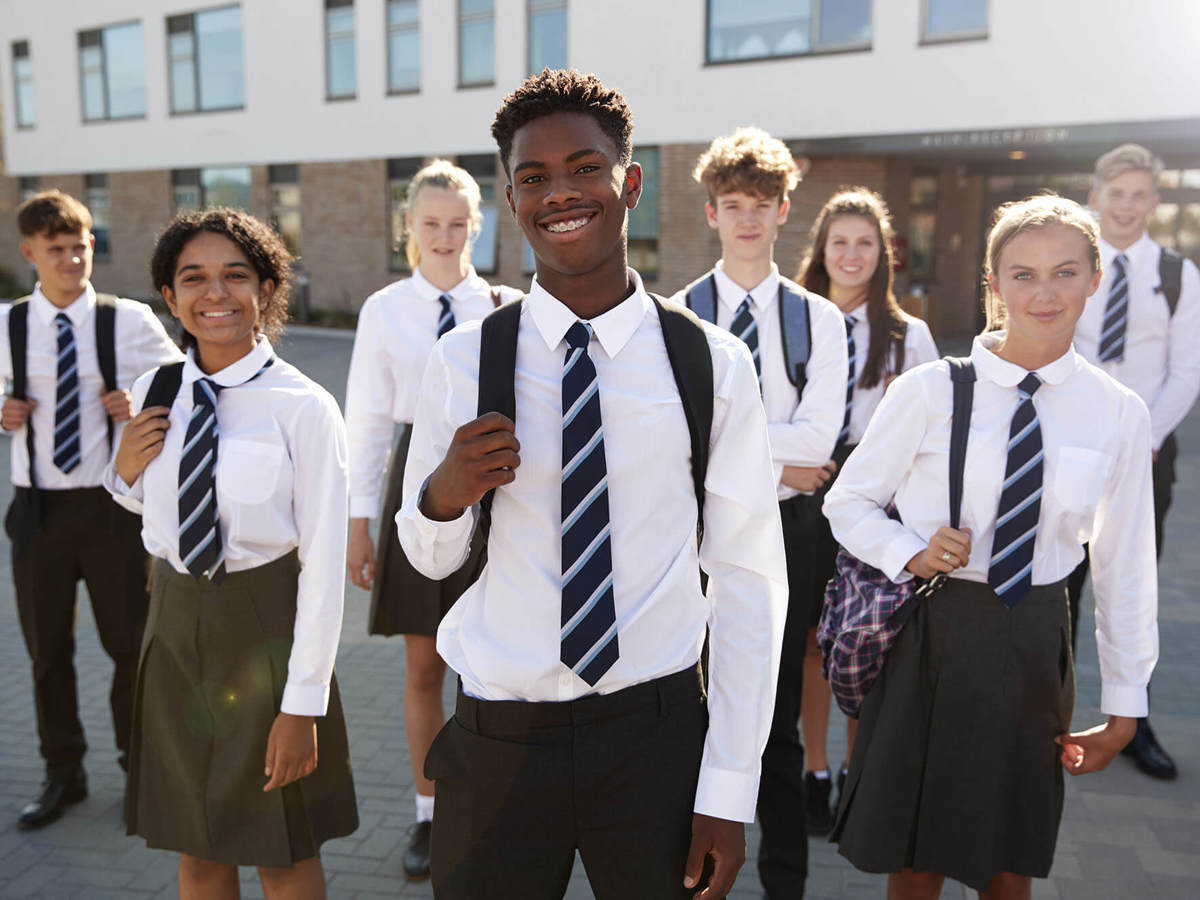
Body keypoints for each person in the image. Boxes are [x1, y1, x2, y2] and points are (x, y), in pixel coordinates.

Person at [397, 69, 787, 900]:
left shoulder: (709, 363)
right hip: (500, 740)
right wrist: (442, 494)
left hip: (653, 739)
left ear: (629, 184)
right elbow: (429, 561)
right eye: (534, 178)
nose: (561, 194)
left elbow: (750, 582)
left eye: (585, 168)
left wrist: (727, 789)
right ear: (510, 199)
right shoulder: (462, 362)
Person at [823, 194, 1157, 898]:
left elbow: (1125, 569)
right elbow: (846, 502)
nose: (1045, 293)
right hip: (931, 639)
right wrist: (908, 549)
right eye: (1023, 274)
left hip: (1035, 640)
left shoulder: (1118, 412)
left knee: (1011, 860)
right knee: (915, 860)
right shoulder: (930, 391)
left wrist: (1127, 706)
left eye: (1065, 272)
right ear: (994, 284)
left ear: (1095, 279)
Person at [105, 209, 358, 898]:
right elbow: (150, 514)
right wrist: (121, 470)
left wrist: (302, 705)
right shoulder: (159, 393)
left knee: (281, 853)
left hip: (268, 638)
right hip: (175, 636)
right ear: (168, 297)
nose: (213, 294)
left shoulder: (304, 408)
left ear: (268, 289)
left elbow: (325, 569)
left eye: (234, 276)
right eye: (194, 278)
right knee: (198, 851)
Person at [673, 127, 846, 898]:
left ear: (784, 212)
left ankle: (786, 883)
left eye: (762, 205)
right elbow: (677, 440)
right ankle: (682, 870)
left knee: (773, 722)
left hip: (789, 533)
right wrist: (780, 456)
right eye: (732, 205)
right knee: (688, 708)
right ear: (711, 213)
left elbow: (822, 435)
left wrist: (735, 441)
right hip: (695, 530)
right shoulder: (674, 317)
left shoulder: (821, 319)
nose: (747, 219)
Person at [343, 158, 521, 879]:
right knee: (424, 665)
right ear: (409, 228)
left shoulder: (509, 306)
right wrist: (360, 522)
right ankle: (427, 811)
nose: (444, 237)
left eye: (457, 224)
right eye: (430, 224)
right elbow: (368, 423)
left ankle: (496, 810)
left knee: (494, 667)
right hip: (416, 482)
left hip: (496, 486)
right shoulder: (385, 311)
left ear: (476, 228)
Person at [1, 190, 182, 830]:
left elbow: (184, 391)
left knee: (130, 646)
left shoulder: (126, 321)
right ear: (30, 253)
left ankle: (139, 767)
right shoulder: (7, 325)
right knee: (47, 651)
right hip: (37, 514)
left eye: (80, 246)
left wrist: (138, 409)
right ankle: (63, 774)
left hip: (112, 513)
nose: (73, 258)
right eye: (57, 249)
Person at [793, 187, 938, 835]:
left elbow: (932, 432)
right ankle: (813, 771)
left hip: (878, 499)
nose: (852, 255)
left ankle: (855, 768)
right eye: (840, 242)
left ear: (884, 255)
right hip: (805, 489)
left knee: (861, 637)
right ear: (821, 251)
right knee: (809, 642)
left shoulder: (910, 336)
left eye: (865, 244)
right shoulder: (793, 319)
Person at [1069, 143, 1199, 781]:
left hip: (1146, 452)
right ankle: (1045, 718)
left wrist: (1142, 436)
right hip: (1067, 448)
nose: (1125, 205)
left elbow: (1186, 372)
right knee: (1057, 588)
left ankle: (1133, 724)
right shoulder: (1071, 265)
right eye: (1114, 193)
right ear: (1095, 197)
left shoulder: (1177, 275)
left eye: (1138, 195)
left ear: (1153, 202)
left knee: (1131, 589)